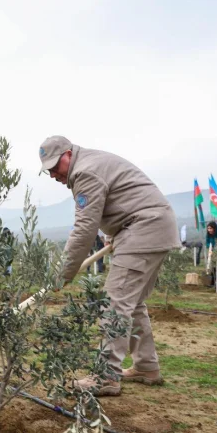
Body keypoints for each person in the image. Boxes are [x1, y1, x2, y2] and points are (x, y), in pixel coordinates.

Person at [38, 135, 180, 396]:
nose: (53, 174)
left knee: (115, 302)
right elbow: (122, 201)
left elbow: (83, 230)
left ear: (68, 153)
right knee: (132, 302)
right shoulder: (90, 163)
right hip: (151, 226)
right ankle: (147, 367)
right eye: (48, 170)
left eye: (55, 166)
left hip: (143, 228)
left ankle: (106, 376)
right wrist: (113, 235)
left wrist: (62, 274)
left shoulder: (84, 173)